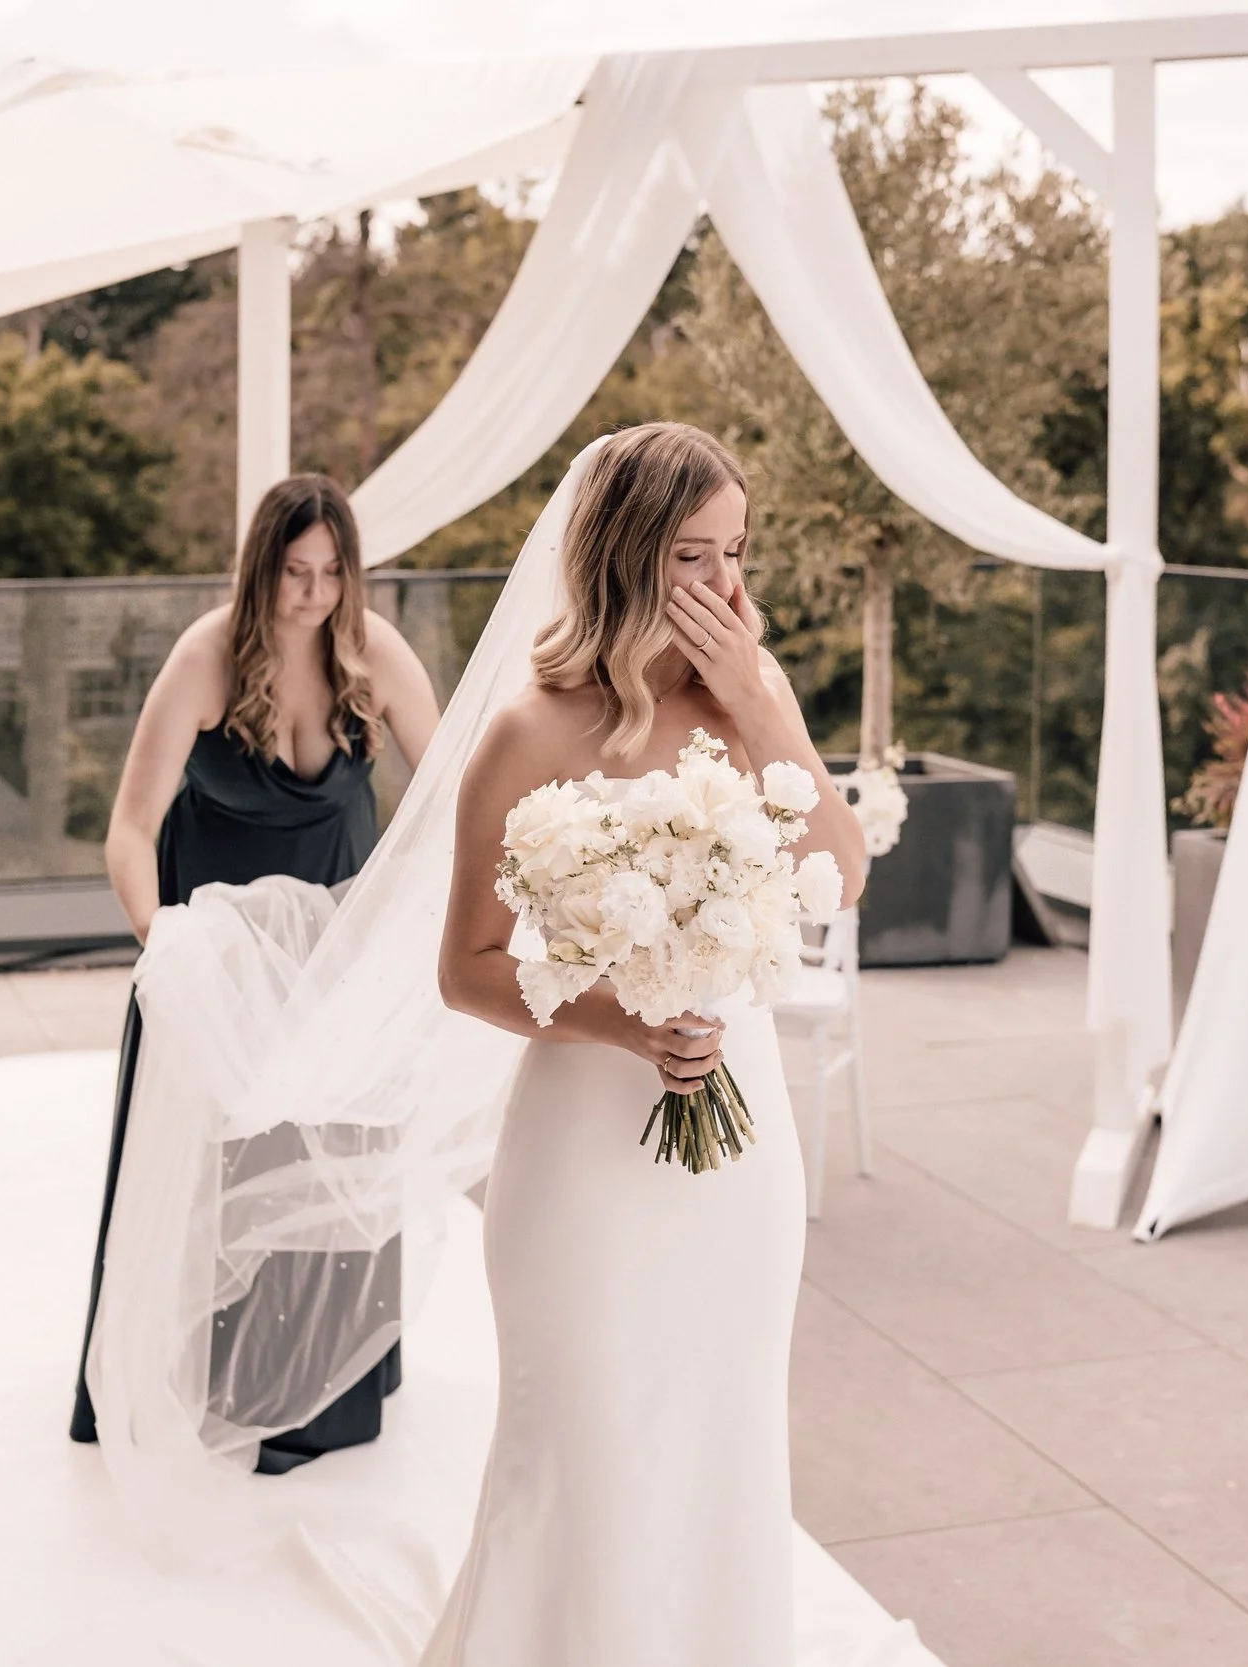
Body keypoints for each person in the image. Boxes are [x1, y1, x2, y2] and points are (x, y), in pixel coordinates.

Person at [426, 423, 867, 1663]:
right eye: (693, 554)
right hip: (580, 1142)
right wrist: (623, 1018)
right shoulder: (527, 730)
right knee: (580, 1434)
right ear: (625, 557)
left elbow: (839, 876)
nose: (727, 586)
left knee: (720, 1431)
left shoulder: (749, 703)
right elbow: (463, 966)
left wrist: (762, 708)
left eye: (736, 551)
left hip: (739, 1146)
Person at [70, 472, 441, 1472]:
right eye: (293, 572)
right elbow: (130, 828)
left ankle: (319, 1390)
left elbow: (450, 790)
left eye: (330, 573)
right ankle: (208, 1376)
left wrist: (408, 911)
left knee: (324, 1162)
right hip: (219, 975)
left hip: (333, 969)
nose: (312, 593)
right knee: (220, 1173)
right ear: (260, 567)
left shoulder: (373, 650)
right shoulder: (204, 658)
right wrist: (164, 950)